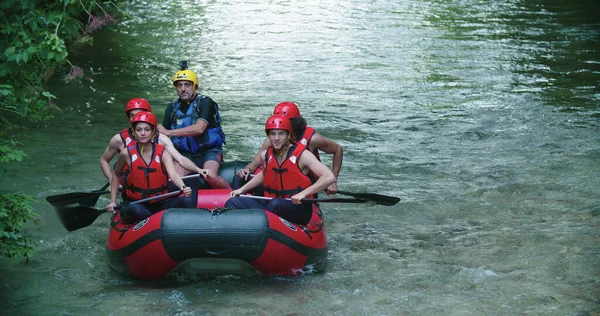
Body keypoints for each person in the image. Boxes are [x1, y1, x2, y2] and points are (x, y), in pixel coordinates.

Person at [226, 115, 335, 225]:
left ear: (288, 135)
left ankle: (260, 225)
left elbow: (328, 176)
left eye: (281, 133)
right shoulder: (265, 156)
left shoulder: (303, 155)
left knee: (275, 204)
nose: (276, 138)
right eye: (273, 134)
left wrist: (303, 194)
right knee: (233, 202)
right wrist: (241, 190)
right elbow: (264, 174)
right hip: (272, 202)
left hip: (298, 208)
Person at [99, 97, 212, 190]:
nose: (136, 118)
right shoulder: (119, 139)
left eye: (140, 114)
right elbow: (104, 160)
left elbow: (180, 159)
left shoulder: (161, 139)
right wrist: (112, 180)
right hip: (130, 187)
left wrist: (198, 170)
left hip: (155, 186)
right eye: (132, 115)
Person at [106, 112, 195, 224]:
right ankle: (156, 220)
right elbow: (116, 174)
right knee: (132, 210)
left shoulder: (163, 152)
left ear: (153, 131)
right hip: (136, 203)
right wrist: (112, 201)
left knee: (187, 201)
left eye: (147, 130)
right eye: (138, 130)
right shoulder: (126, 153)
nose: (142, 133)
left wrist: (183, 186)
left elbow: (173, 174)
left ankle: (153, 219)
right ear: (134, 131)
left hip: (160, 202)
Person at [237, 101, 343, 194]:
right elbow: (255, 164)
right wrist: (247, 169)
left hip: (301, 187)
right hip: (278, 183)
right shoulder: (273, 139)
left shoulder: (313, 139)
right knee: (240, 181)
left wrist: (333, 181)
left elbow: (337, 150)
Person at [158, 61, 231, 190]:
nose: (183, 89)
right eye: (179, 85)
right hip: (184, 154)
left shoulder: (206, 103)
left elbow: (199, 129)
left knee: (210, 176)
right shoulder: (172, 108)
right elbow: (161, 135)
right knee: (174, 180)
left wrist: (168, 132)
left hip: (209, 151)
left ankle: (232, 197)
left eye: (187, 85)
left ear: (194, 86)